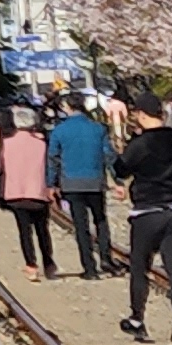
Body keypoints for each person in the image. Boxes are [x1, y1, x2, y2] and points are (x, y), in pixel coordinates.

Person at [113, 100, 172, 342]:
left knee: (139, 266)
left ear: (141, 114)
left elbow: (120, 169)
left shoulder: (140, 144)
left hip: (146, 211)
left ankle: (137, 319)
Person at [48, 94, 117, 278]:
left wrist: (51, 183)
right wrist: (117, 180)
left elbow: (53, 159)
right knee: (100, 220)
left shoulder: (59, 130)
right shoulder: (98, 128)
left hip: (71, 183)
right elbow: (109, 155)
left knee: (81, 225)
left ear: (66, 107)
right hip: (95, 181)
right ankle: (106, 258)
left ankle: (89, 267)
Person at [0, 104, 60, 275]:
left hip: (16, 192)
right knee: (42, 229)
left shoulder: (7, 143)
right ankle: (49, 263)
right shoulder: (41, 144)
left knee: (24, 231)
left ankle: (31, 265)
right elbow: (49, 166)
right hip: (38, 192)